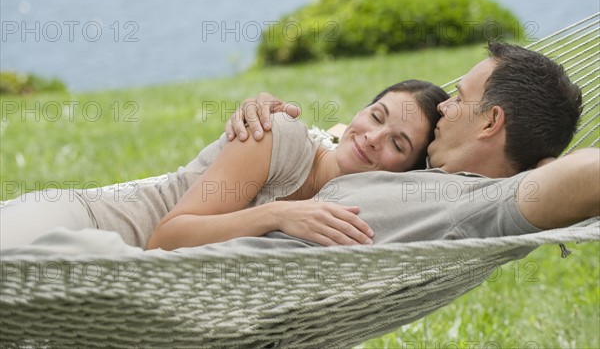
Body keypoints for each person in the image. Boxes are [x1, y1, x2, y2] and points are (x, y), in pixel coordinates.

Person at [221, 41, 598, 248]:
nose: (443, 107)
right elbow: (348, 135)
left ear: (490, 121)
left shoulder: (477, 201)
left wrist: (545, 173)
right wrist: (267, 109)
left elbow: (590, 172)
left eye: (459, 98)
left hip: (211, 274)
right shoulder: (428, 172)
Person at [0, 80, 449, 250]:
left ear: (405, 170)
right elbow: (166, 239)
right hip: (94, 222)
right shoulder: (280, 136)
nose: (371, 139)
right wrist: (277, 214)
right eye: (375, 115)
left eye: (397, 143)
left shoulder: (357, 202)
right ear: (359, 111)